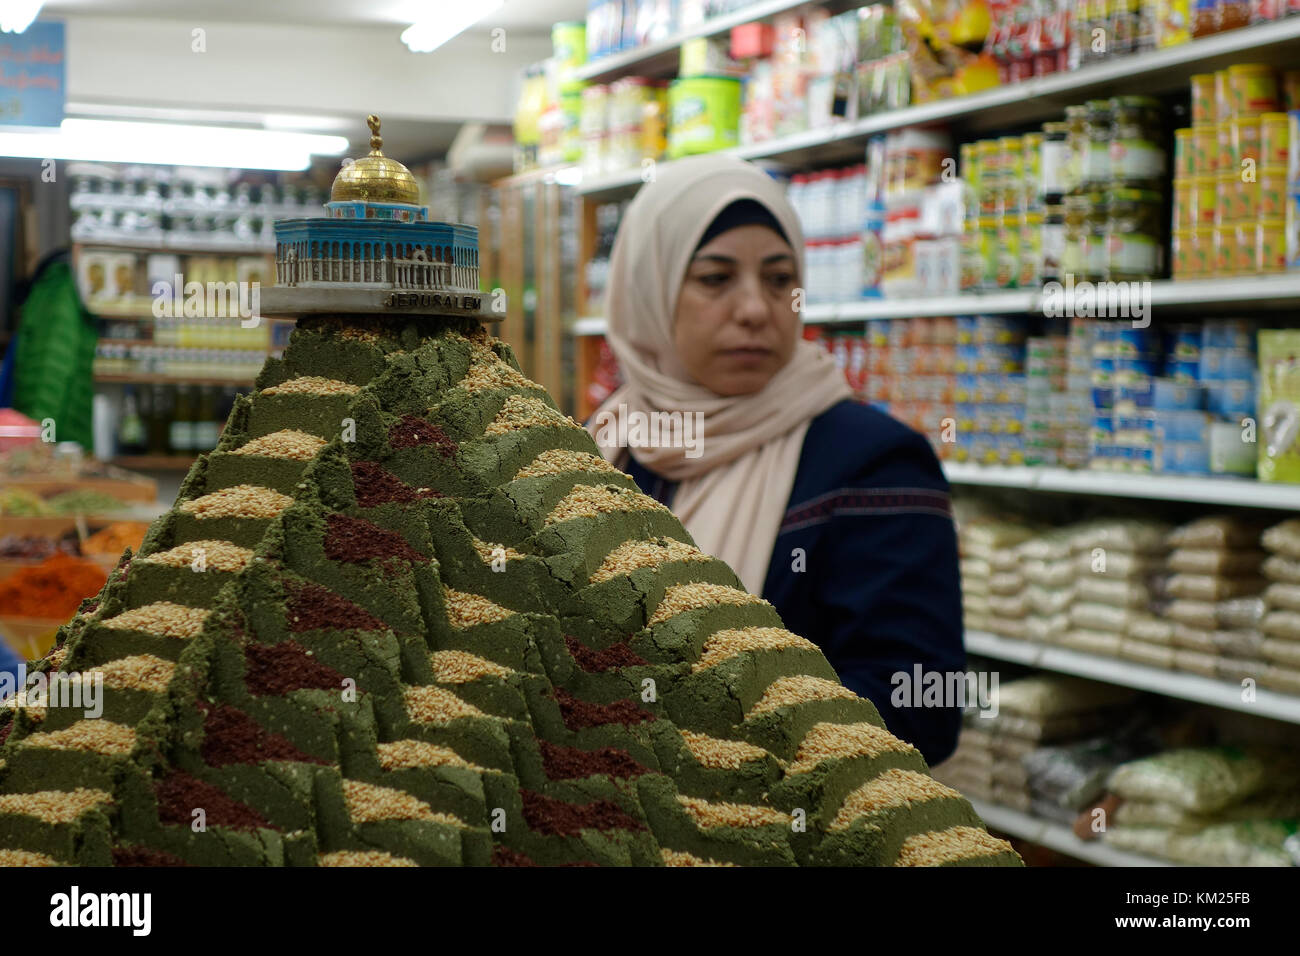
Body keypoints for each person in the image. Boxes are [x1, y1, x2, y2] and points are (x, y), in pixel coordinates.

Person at [587, 154, 965, 765]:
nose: (757, 310)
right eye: (715, 278)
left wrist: (690, 732)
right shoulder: (605, 443)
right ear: (647, 289)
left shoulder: (871, 462)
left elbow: (923, 707)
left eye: (779, 279)